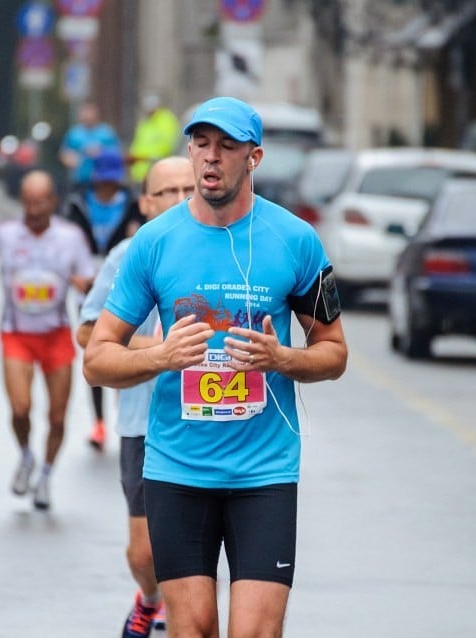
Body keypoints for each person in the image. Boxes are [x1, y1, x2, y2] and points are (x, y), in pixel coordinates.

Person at [83, 96, 348, 637]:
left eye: (226, 146)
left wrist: (283, 359)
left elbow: (335, 351)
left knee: (254, 633)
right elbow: (96, 357)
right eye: (201, 144)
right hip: (178, 470)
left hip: (265, 471)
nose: (211, 157)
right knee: (194, 629)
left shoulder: (295, 240)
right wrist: (160, 356)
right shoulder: (153, 244)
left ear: (254, 157)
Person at [76, 156, 195, 638]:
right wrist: (163, 352)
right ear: (146, 203)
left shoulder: (225, 251)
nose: (182, 201)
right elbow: (88, 333)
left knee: (195, 557)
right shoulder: (127, 255)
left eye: (191, 189)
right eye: (169, 192)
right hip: (144, 423)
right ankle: (149, 598)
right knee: (144, 554)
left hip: (209, 423)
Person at [0, 170, 95, 510]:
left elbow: (88, 281)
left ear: (53, 201)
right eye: (27, 202)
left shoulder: (71, 237)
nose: (33, 209)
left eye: (40, 202)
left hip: (56, 335)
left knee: (57, 417)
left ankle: (44, 475)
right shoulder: (5, 233)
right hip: (17, 334)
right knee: (21, 407)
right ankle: (26, 454)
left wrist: (85, 291)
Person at [62, 148, 144, 451]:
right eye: (102, 183)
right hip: (87, 285)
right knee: (94, 348)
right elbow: (64, 244)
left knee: (123, 346)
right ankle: (98, 422)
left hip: (123, 282)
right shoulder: (76, 204)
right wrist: (74, 275)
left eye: (112, 182)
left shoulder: (134, 204)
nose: (107, 188)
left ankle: (125, 411)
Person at [59, 101, 121, 190]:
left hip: (102, 180)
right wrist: (69, 159)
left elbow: (117, 153)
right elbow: (64, 153)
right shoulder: (74, 133)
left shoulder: (106, 132)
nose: (88, 115)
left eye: (90, 112)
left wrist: (101, 152)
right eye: (85, 112)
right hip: (80, 179)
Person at [126, 91, 180, 185]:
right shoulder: (144, 122)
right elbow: (137, 143)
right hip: (140, 175)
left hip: (156, 172)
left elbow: (168, 146)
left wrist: (145, 158)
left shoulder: (166, 120)